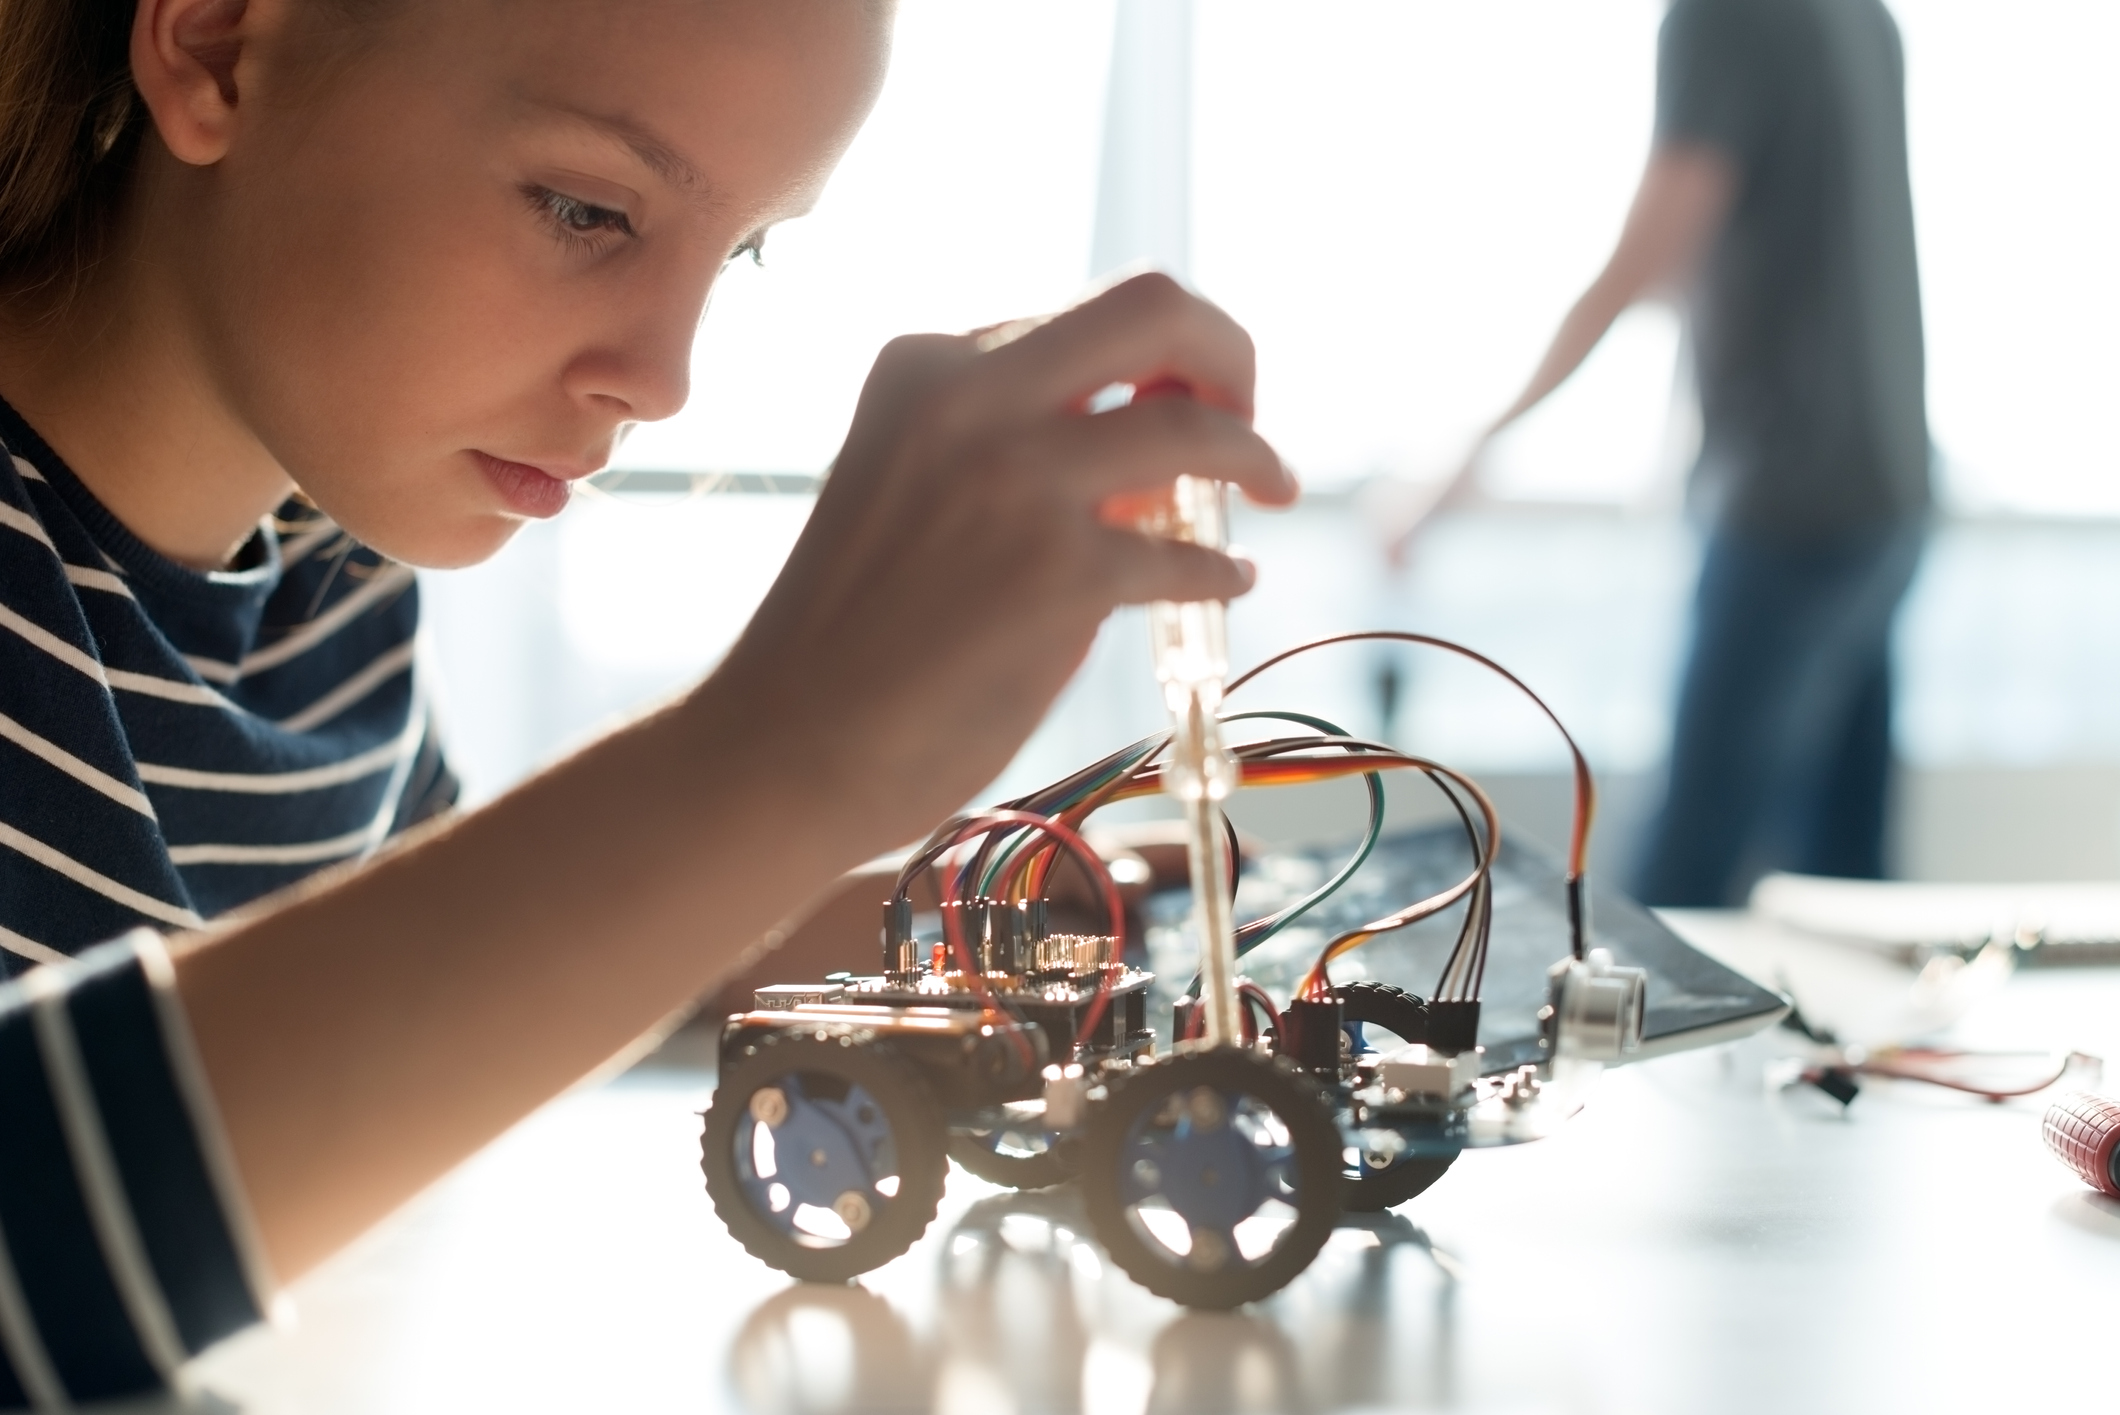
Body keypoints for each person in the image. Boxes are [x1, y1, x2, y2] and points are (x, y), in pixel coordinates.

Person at [0, 0, 1295, 1402]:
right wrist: (780, 754)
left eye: (737, 251)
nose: (665, 381)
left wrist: (895, 920)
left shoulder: (327, 589)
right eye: (586, 210)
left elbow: (393, 1013)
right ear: (216, 49)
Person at [1395, 0, 1929, 907]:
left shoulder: (1725, 13)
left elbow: (1658, 242)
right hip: (1888, 490)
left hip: (1789, 500)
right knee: (1850, 890)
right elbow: (1765, 247)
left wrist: (1473, 447)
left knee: (1682, 881)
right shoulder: (1857, 16)